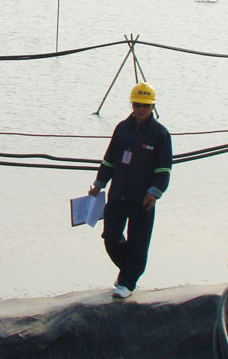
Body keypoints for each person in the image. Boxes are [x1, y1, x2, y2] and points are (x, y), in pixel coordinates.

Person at [88, 82, 172, 299]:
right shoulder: (122, 129)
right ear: (131, 104)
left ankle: (127, 283)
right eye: (137, 104)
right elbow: (109, 160)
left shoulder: (160, 135)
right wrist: (99, 184)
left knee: (138, 242)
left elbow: (164, 170)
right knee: (110, 235)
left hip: (142, 199)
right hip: (118, 195)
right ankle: (128, 272)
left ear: (152, 107)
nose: (141, 109)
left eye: (145, 105)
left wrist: (154, 192)